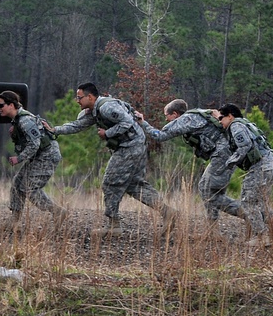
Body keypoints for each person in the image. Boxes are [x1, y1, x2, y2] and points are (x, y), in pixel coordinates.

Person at [42, 83, 176, 238]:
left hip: (130, 147)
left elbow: (127, 122)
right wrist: (54, 130)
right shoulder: (96, 111)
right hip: (134, 145)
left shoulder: (106, 108)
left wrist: (107, 133)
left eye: (79, 97)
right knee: (133, 185)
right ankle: (168, 212)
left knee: (109, 182)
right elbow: (78, 125)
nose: (77, 101)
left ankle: (114, 226)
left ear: (90, 97)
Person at [135, 99, 243, 227]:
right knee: (209, 191)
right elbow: (215, 116)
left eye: (167, 116)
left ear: (175, 114)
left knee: (207, 190)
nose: (166, 119)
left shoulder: (185, 120)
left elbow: (160, 136)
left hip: (222, 155)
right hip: (227, 154)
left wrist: (142, 122)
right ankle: (214, 228)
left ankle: (247, 214)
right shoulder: (198, 113)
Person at [0, 90, 68, 226]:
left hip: (47, 155)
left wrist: (19, 158)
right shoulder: (18, 121)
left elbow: (34, 144)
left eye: (1, 105)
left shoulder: (24, 120)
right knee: (17, 183)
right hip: (39, 155)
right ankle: (15, 219)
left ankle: (57, 211)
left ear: (11, 105)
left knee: (29, 188)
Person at [215, 103, 273, 246]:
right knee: (261, 201)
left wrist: (230, 162)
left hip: (260, 166)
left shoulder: (235, 126)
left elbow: (245, 145)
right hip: (270, 164)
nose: (220, 122)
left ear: (230, 116)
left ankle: (262, 236)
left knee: (248, 200)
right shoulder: (246, 124)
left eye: (221, 118)